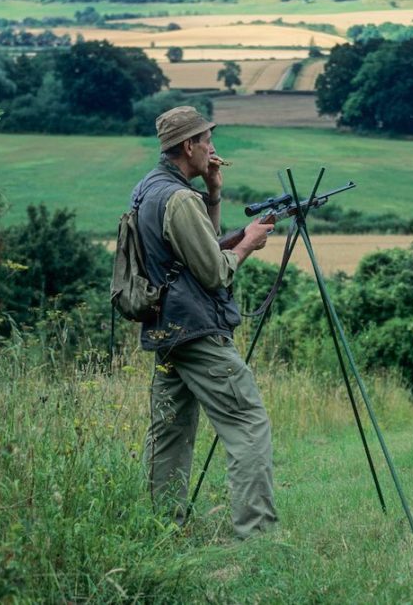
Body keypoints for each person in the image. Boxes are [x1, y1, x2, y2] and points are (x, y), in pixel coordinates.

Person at [130, 105, 278, 540]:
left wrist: (213, 193)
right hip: (197, 331)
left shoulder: (148, 190)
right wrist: (249, 243)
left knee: (169, 435)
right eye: (207, 140)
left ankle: (163, 532)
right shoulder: (176, 198)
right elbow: (214, 270)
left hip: (164, 331)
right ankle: (257, 538)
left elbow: (199, 248)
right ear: (188, 146)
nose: (213, 148)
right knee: (248, 422)